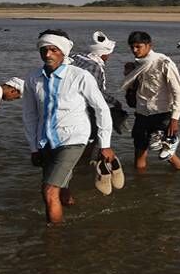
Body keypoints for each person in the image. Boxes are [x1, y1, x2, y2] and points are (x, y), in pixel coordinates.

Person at [22, 30, 116, 224]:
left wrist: (104, 144)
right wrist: (33, 147)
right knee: (58, 189)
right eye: (44, 50)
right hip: (46, 140)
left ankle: (54, 242)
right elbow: (29, 115)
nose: (48, 54)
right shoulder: (33, 78)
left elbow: (101, 109)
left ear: (63, 51)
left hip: (74, 139)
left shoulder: (80, 76)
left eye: (53, 49)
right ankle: (71, 210)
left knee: (49, 190)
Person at [121, 31, 180, 171]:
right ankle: (140, 184)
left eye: (138, 46)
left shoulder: (163, 62)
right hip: (142, 113)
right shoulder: (136, 65)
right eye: (132, 47)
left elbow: (178, 92)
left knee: (167, 153)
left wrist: (175, 119)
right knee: (140, 150)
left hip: (161, 113)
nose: (134, 50)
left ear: (149, 45)